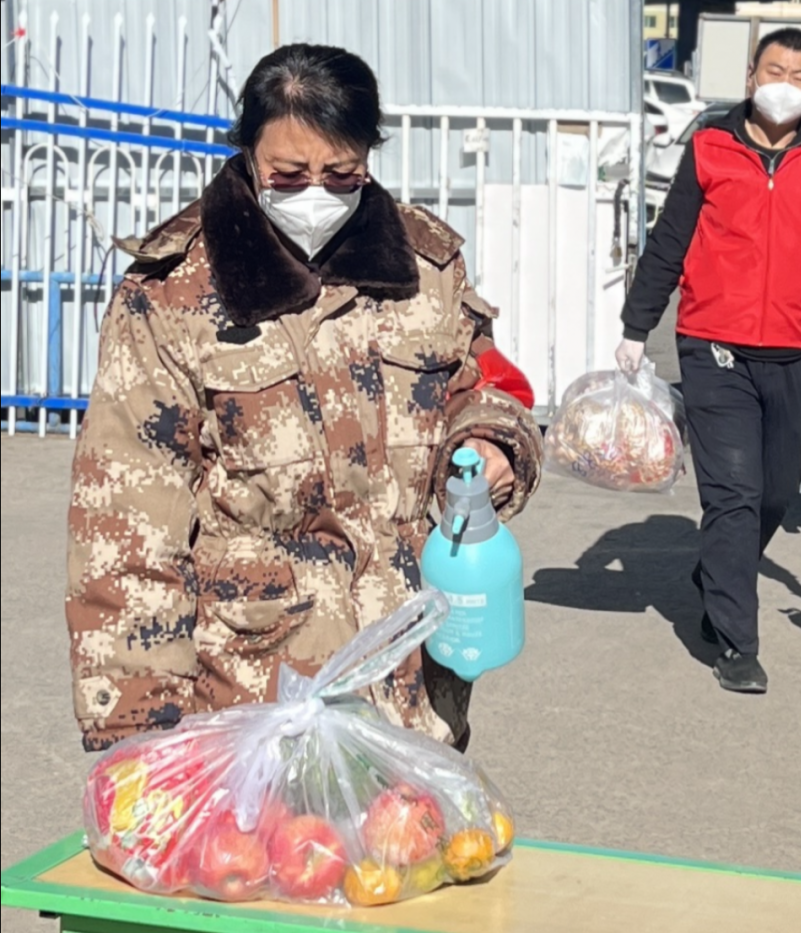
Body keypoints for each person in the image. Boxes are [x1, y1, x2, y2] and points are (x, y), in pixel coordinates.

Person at [66, 44, 542, 753]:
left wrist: (489, 440)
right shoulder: (173, 294)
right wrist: (140, 732)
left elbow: (480, 384)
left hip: (413, 695)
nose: (316, 193)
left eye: (342, 173)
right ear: (249, 152)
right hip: (255, 705)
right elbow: (126, 526)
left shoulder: (425, 267)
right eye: (288, 174)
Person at [616, 28, 801, 695]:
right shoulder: (710, 148)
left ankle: (717, 569)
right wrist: (636, 327)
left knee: (775, 490)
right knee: (735, 493)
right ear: (750, 77)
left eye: (799, 76)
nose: (784, 85)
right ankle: (737, 642)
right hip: (713, 347)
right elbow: (670, 239)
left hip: (791, 350)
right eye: (774, 70)